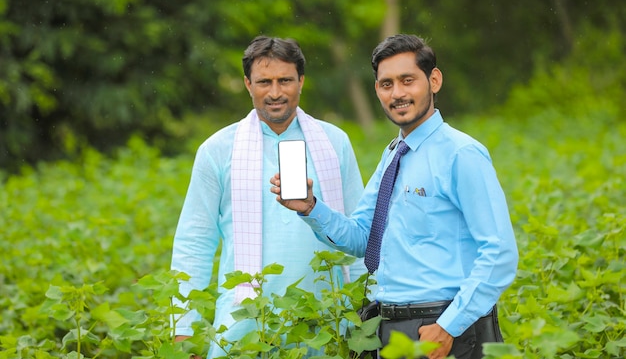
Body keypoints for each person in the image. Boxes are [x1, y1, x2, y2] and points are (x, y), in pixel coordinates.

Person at [270, 34, 518, 359]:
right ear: (377, 90)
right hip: (386, 327)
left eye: (407, 80)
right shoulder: (393, 154)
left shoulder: (461, 154)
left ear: (434, 80)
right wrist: (311, 208)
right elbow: (362, 239)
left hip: (444, 328)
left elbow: (499, 254)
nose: (398, 93)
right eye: (386, 84)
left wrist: (449, 326)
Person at [170, 36, 367, 358]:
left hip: (327, 322)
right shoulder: (217, 150)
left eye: (285, 80)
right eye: (264, 82)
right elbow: (194, 242)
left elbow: (359, 234)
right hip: (244, 324)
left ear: (301, 82)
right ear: (248, 84)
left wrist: (365, 310)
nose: (275, 92)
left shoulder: (334, 143)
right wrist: (183, 328)